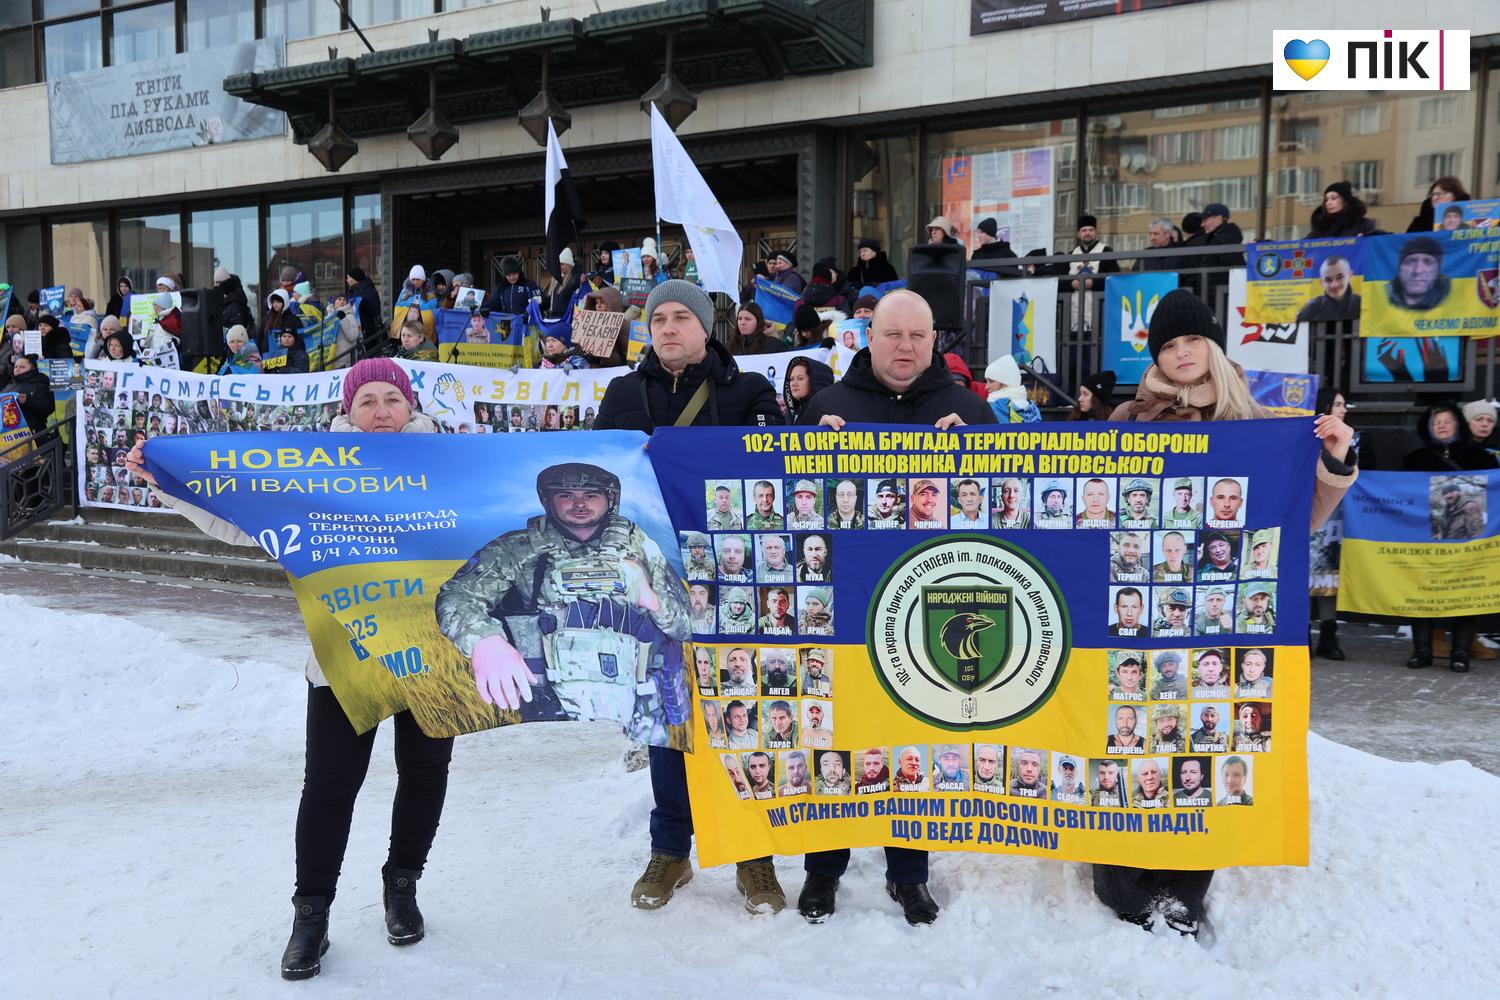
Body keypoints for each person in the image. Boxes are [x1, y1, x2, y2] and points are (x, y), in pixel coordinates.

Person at [126, 359, 448, 980]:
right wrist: (164, 479)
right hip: (342, 655)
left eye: (391, 399)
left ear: (410, 407)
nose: (380, 412)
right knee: (329, 787)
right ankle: (311, 915)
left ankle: (402, 885)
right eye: (366, 402)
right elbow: (240, 520)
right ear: (347, 413)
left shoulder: (453, 466)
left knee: (425, 772)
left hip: (434, 654)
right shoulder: (313, 471)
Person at [1100, 288, 1355, 937]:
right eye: (1168, 345)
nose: (1181, 353)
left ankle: (1189, 874)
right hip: (1144, 613)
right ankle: (1121, 867)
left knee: (1204, 745)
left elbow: (1300, 521)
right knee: (1132, 735)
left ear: (1211, 346)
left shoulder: (1261, 426)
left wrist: (1333, 457)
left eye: (1190, 341)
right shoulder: (1129, 419)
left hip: (1224, 616)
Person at [791, 291, 993, 925]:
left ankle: (909, 874)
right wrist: (809, 451)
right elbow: (798, 517)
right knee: (837, 735)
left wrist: (977, 463)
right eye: (892, 334)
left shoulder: (969, 410)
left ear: (936, 342)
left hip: (925, 605)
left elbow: (1003, 523)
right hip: (846, 608)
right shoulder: (826, 407)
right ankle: (823, 870)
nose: (905, 346)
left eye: (919, 335)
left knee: (911, 741)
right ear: (867, 338)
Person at [589, 280, 783, 911]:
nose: (668, 328)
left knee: (743, 713)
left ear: (706, 328)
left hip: (734, 580)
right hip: (651, 582)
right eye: (658, 319)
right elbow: (597, 474)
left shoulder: (749, 392)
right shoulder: (621, 394)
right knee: (666, 716)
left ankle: (755, 855)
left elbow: (774, 474)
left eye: (681, 318)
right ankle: (671, 851)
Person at [1400, 401, 1497, 672]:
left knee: (1466, 594)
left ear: (1458, 424)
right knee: (1419, 594)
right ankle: (1421, 652)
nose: (1441, 425)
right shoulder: (1413, 460)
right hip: (1423, 542)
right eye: (1436, 421)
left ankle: (1461, 653)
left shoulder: (1482, 459)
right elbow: (1400, 496)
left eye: (1447, 420)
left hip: (1468, 543)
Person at [1385, 235, 1449, 311]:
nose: (1417, 271)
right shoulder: (1381, 296)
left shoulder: (1450, 300)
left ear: (1438, 270)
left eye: (1427, 262)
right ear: (1399, 268)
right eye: (1410, 261)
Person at [1295, 256, 1361, 323]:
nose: (1334, 285)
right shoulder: (1311, 309)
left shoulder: (1362, 305)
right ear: (1321, 282)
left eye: (1340, 277)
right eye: (1328, 280)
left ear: (1350, 276)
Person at [1308, 181, 1379, 238]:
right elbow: (1304, 245)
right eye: (1326, 200)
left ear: (1345, 202)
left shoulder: (1363, 224)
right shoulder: (1321, 227)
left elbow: (1378, 242)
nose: (1328, 203)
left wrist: (1364, 238)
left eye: (1333, 198)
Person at [4, 353, 55, 434]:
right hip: (10, 434)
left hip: (33, 433)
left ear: (33, 368)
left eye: (22, 367)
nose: (17, 369)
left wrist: (27, 401)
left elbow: (48, 407)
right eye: (16, 367)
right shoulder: (10, 384)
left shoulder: (40, 383)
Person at [983, 355, 1040, 423]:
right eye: (986, 381)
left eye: (991, 381)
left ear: (1005, 382)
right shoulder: (1032, 407)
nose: (986, 387)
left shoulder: (993, 407)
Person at [1407, 176, 1472, 233]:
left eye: (1441, 194)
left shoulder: (1470, 221)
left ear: (1456, 196)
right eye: (1433, 194)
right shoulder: (1420, 223)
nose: (1435, 198)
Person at [783, 356, 835, 426]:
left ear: (814, 381)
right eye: (791, 379)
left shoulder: (829, 412)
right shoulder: (789, 415)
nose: (793, 384)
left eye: (800, 378)